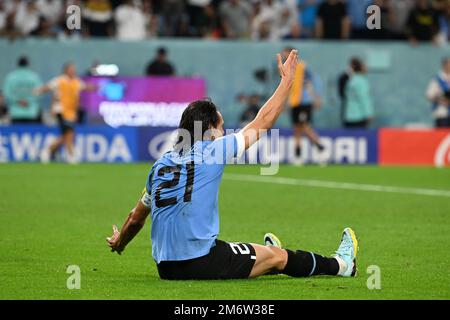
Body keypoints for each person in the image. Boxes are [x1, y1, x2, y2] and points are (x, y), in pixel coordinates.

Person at [106, 50, 359, 281]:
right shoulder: (213, 150)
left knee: (240, 251)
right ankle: (341, 265)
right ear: (209, 129)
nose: (224, 131)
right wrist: (287, 82)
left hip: (166, 269)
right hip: (200, 263)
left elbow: (136, 219)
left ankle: (265, 256)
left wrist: (120, 242)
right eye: (221, 125)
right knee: (281, 257)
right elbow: (263, 122)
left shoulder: (160, 165)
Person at [35, 63, 96, 163]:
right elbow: (47, 88)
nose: (73, 71)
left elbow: (86, 87)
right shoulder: (59, 80)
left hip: (71, 113)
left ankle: (49, 151)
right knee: (68, 133)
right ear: (66, 70)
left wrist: (98, 87)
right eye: (71, 69)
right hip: (61, 111)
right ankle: (67, 155)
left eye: (74, 69)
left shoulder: (76, 81)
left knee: (67, 135)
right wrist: (37, 91)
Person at [282, 48, 325, 161]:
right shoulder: (285, 69)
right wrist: (285, 103)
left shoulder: (302, 66)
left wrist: (316, 98)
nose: (284, 56)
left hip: (304, 101)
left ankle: (320, 147)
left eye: (286, 53)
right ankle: (298, 153)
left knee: (304, 125)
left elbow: (313, 81)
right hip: (294, 102)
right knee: (296, 127)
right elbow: (287, 88)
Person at [2, 56, 43, 124]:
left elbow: (7, 93)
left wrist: (18, 101)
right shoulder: (34, 77)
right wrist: (28, 100)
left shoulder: (10, 77)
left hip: (15, 112)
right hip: (32, 112)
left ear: (18, 64)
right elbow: (40, 92)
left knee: (16, 133)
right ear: (28, 64)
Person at [344, 59, 374, 128]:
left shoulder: (351, 80)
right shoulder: (362, 81)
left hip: (349, 115)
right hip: (359, 116)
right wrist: (368, 114)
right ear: (361, 68)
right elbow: (364, 98)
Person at [426, 57, 450, 127]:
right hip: (442, 113)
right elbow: (429, 95)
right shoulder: (437, 80)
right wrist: (442, 100)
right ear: (444, 65)